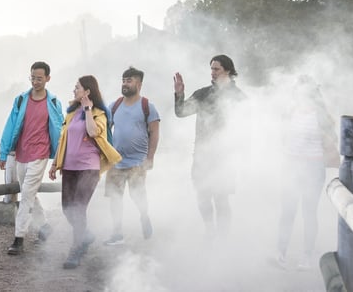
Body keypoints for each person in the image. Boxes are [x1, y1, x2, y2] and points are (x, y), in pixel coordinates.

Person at [48, 75, 122, 269]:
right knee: (67, 208)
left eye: (77, 87)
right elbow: (62, 139)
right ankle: (86, 235)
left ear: (87, 91)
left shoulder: (99, 113)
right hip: (69, 167)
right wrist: (55, 163)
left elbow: (92, 132)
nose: (74, 90)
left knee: (78, 208)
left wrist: (88, 109)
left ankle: (76, 249)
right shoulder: (71, 113)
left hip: (89, 167)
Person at [173, 54, 246, 234]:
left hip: (224, 157)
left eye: (216, 69)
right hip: (202, 155)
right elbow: (181, 112)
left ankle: (223, 236)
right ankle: (209, 230)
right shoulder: (203, 94)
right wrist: (179, 93)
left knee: (221, 199)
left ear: (228, 70)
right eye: (211, 69)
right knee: (202, 196)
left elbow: (247, 128)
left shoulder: (238, 97)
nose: (212, 72)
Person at [0, 61, 64, 256]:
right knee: (30, 192)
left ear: (48, 79)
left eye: (39, 78)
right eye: (33, 77)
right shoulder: (21, 100)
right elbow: (10, 126)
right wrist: (4, 153)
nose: (35, 81)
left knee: (26, 193)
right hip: (21, 153)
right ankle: (45, 227)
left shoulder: (53, 102)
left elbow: (60, 131)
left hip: (41, 153)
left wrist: (58, 158)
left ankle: (18, 239)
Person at [274, 75, 338, 271]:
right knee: (287, 211)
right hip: (291, 166)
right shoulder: (290, 111)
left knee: (309, 212)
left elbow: (333, 140)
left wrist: (323, 135)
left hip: (313, 167)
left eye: (304, 90)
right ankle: (280, 253)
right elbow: (281, 136)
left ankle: (307, 257)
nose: (300, 94)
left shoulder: (321, 115)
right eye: (298, 90)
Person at [104, 66, 161, 245]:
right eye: (123, 80)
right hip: (116, 161)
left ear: (139, 84)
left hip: (137, 161)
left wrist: (150, 157)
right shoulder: (114, 106)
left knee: (137, 195)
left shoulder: (147, 107)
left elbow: (155, 133)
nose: (125, 84)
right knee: (115, 196)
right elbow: (104, 130)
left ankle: (144, 216)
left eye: (129, 80)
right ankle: (117, 232)